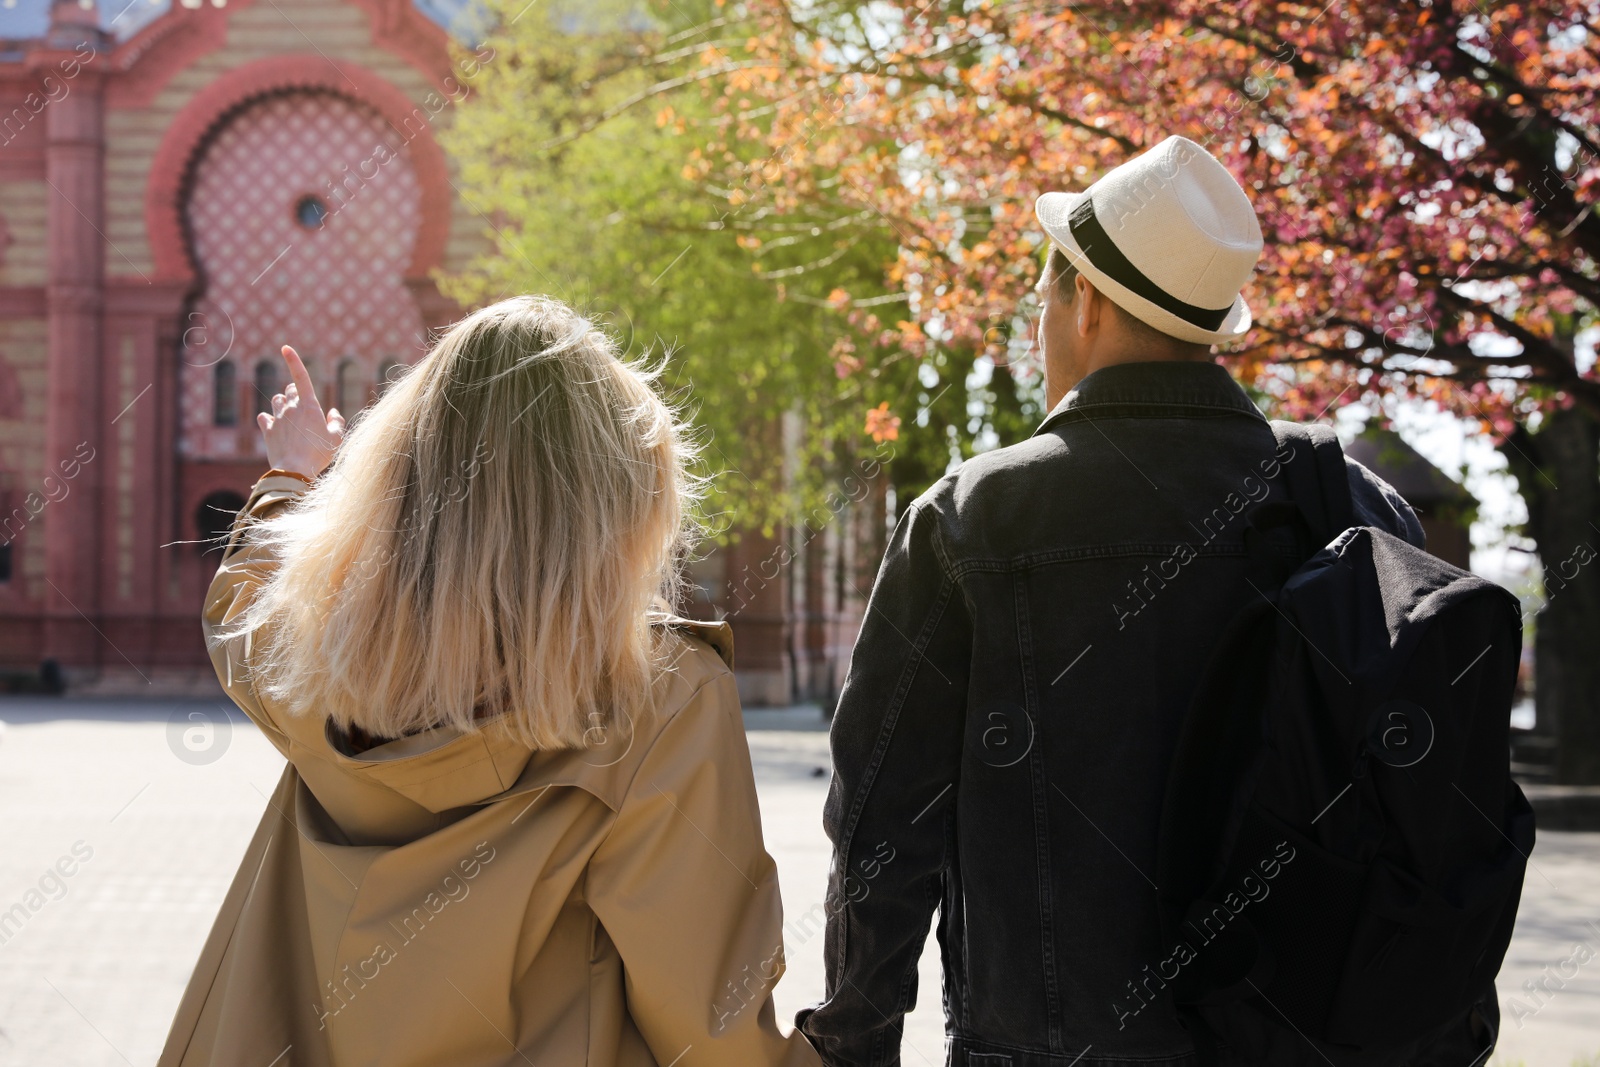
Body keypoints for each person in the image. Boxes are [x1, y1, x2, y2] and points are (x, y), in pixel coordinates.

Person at [793, 136, 1486, 1065]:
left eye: (1042, 300)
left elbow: (883, 822)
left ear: (1081, 299)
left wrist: (850, 1041)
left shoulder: (972, 520)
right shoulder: (1361, 508)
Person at [160, 296, 822, 1067]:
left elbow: (248, 614)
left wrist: (294, 478)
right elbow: (711, 1027)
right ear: (622, 491)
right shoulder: (660, 695)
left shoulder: (318, 655)